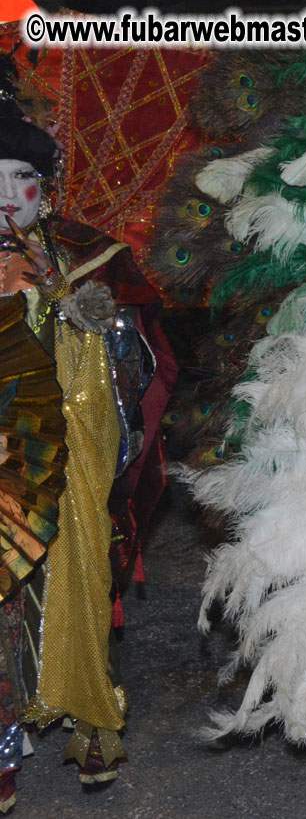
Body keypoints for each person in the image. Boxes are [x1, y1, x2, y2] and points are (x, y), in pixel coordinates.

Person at [0, 56, 170, 810]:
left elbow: (140, 360)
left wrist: (92, 325)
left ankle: (88, 713)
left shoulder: (81, 257)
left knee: (76, 573)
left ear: (47, 187)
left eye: (23, 179)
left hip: (65, 450)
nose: (9, 197)